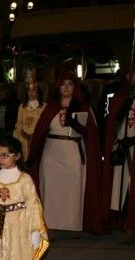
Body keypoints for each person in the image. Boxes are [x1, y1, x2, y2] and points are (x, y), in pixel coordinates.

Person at [28, 71, 103, 237]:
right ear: (59, 87)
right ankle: (50, 225)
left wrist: (78, 126)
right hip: (52, 152)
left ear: (74, 87)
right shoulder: (50, 107)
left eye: (70, 84)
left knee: (73, 190)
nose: (66, 87)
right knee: (51, 189)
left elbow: (92, 134)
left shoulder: (83, 107)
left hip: (74, 152)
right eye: (63, 84)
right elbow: (40, 131)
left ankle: (72, 225)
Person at [100, 69, 135, 244]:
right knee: (122, 188)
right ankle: (125, 225)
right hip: (124, 147)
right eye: (131, 74)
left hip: (133, 146)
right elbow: (113, 123)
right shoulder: (122, 97)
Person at [13, 79, 47, 161]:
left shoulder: (44, 106)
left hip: (38, 138)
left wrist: (35, 135)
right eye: (29, 90)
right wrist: (22, 134)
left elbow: (45, 124)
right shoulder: (22, 107)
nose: (31, 92)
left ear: (38, 92)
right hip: (23, 138)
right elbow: (19, 123)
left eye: (34, 90)